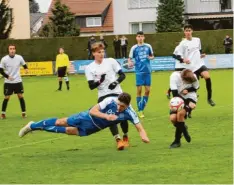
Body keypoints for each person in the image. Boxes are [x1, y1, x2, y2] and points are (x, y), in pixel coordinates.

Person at [19, 93, 150, 146]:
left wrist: (144, 137)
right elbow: (93, 111)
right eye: (119, 105)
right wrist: (106, 116)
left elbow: (139, 127)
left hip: (93, 128)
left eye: (122, 107)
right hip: (85, 117)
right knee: (60, 122)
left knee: (67, 131)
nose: (119, 108)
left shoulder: (130, 112)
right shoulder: (110, 101)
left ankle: (35, 126)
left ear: (127, 106)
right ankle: (33, 126)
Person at [85, 42, 129, 150]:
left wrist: (115, 82)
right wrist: (100, 81)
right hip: (103, 95)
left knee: (123, 116)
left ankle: (125, 135)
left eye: (103, 51)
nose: (101, 54)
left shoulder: (111, 61)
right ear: (93, 53)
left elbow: (123, 75)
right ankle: (118, 140)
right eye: (99, 52)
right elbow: (91, 86)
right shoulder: (89, 67)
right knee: (109, 117)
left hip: (117, 92)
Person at [175, 24, 215, 106]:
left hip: (200, 64)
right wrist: (183, 60)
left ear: (192, 31)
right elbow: (177, 56)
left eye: (189, 30)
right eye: (186, 31)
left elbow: (199, 50)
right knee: (194, 87)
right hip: (191, 68)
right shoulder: (182, 43)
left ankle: (209, 98)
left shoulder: (197, 40)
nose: (188, 32)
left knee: (207, 77)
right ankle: (188, 106)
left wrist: (202, 55)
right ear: (184, 32)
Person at [169, 69, 199, 148]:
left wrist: (188, 90)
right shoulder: (174, 77)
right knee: (173, 118)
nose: (188, 84)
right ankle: (183, 128)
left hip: (191, 97)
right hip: (178, 98)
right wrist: (186, 103)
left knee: (180, 114)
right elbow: (175, 94)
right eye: (187, 82)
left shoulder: (193, 76)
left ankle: (177, 141)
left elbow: (196, 87)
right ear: (182, 79)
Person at [128, 31, 154, 118]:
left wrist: (150, 57)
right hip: (139, 72)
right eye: (138, 36)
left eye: (141, 36)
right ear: (136, 38)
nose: (140, 38)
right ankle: (140, 110)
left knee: (147, 91)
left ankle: (141, 108)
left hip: (147, 71)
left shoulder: (148, 46)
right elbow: (130, 59)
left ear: (144, 37)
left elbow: (152, 56)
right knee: (139, 91)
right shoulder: (134, 48)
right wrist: (130, 63)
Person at [0, 44, 28, 119]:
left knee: (20, 96)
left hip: (18, 81)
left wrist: (26, 69)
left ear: (15, 50)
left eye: (13, 49)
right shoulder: (4, 59)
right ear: (8, 50)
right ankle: (2, 113)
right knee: (7, 97)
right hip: (8, 82)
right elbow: (1, 71)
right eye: (10, 49)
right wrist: (8, 77)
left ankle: (24, 113)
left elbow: (24, 65)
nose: (12, 50)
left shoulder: (19, 57)